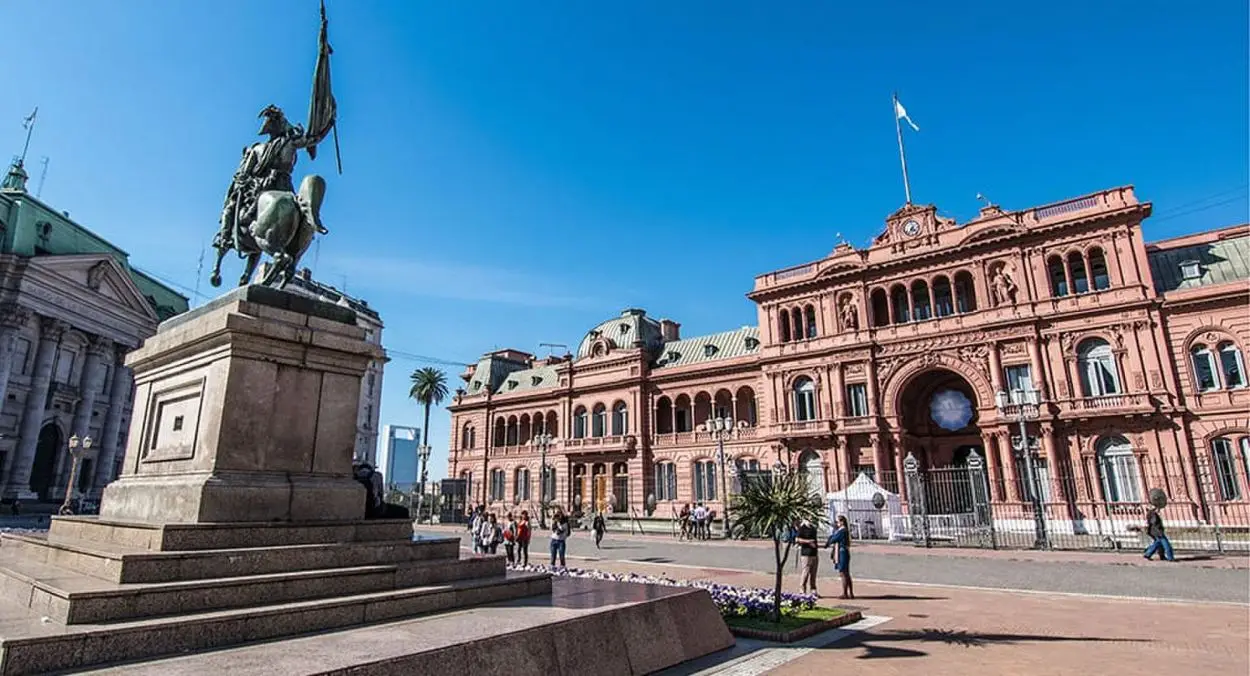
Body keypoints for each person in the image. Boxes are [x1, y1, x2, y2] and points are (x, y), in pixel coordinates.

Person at [825, 515, 854, 599]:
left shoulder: (842, 531)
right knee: (846, 573)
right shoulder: (841, 530)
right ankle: (850, 593)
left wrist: (829, 541)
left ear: (842, 522)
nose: (836, 523)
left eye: (837, 522)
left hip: (842, 552)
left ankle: (845, 593)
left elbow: (834, 539)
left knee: (843, 573)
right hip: (843, 551)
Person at [795, 518, 820, 596]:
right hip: (806, 553)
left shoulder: (813, 528)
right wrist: (808, 541)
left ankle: (813, 590)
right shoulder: (802, 528)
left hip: (814, 552)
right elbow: (797, 539)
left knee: (813, 572)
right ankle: (802, 589)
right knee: (805, 571)